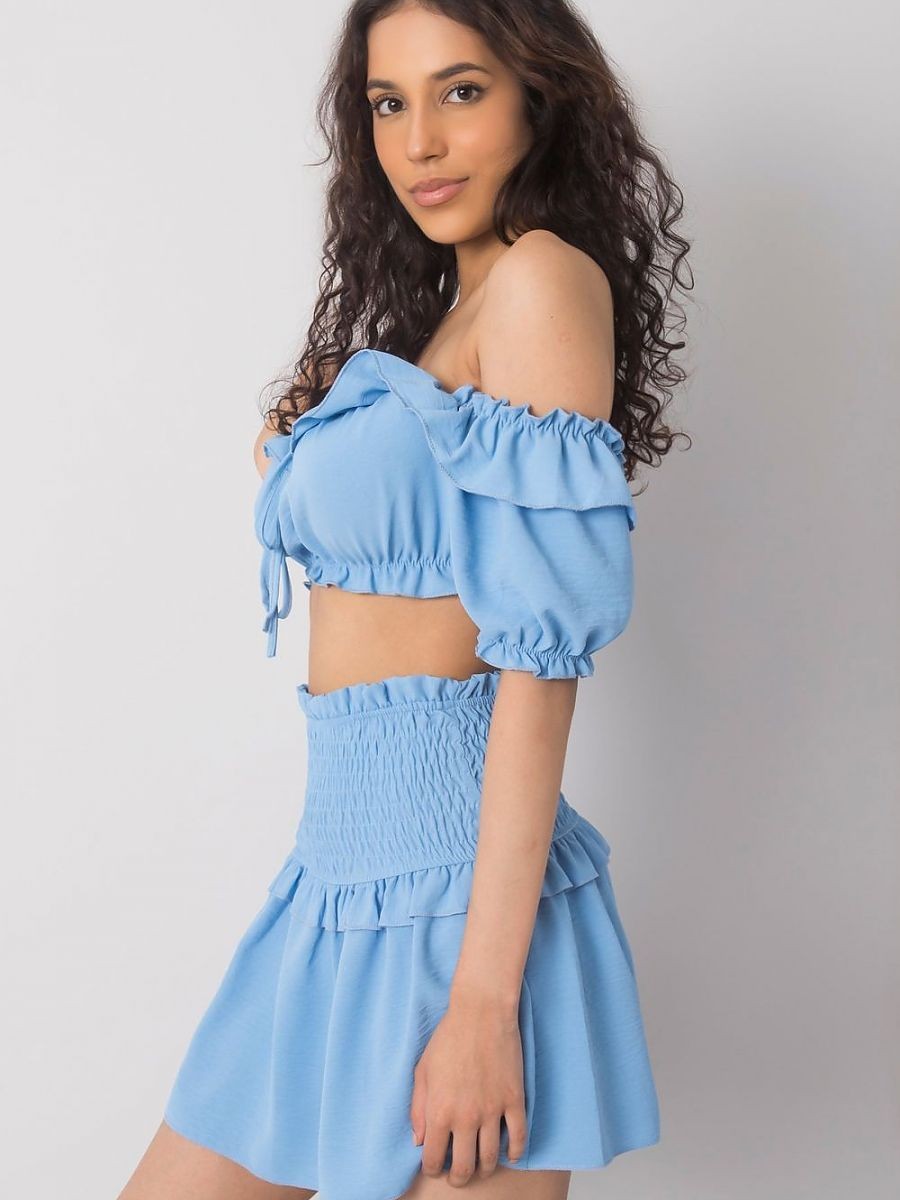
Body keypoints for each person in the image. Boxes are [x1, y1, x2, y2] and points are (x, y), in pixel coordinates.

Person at [118, 1, 692, 1197]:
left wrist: (483, 1004)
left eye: (461, 91)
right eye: (389, 103)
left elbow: (540, 661)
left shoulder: (542, 282)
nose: (419, 140)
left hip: (464, 911)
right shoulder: (440, 325)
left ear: (540, 97)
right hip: (331, 888)